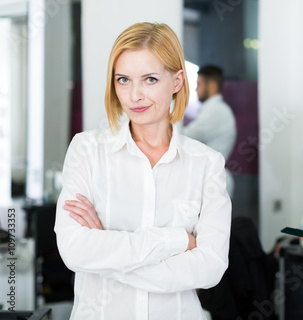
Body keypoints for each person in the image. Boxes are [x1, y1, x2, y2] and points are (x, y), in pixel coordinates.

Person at [54, 22, 231, 320]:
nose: (134, 95)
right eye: (123, 79)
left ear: (176, 81)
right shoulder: (87, 150)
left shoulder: (205, 163)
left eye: (149, 79)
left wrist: (108, 252)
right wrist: (176, 241)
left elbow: (210, 267)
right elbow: (74, 249)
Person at [182, 65, 237, 197]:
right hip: (210, 180)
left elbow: (185, 136)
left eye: (199, 84)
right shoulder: (214, 109)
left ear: (211, 86)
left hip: (212, 183)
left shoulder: (216, 111)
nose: (196, 89)